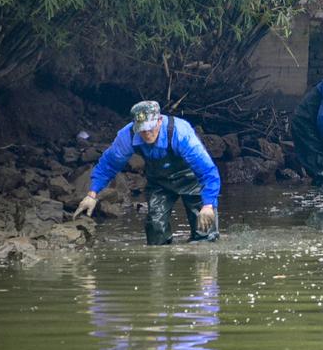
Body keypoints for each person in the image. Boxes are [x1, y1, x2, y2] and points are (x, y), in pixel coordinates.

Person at [74, 100, 221, 245]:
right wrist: (92, 194)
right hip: (159, 182)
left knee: (204, 232)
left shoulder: (180, 133)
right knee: (155, 229)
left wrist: (208, 205)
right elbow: (108, 165)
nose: (147, 134)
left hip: (192, 179)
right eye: (142, 129)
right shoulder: (128, 136)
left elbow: (208, 171)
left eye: (150, 128)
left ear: (159, 121)